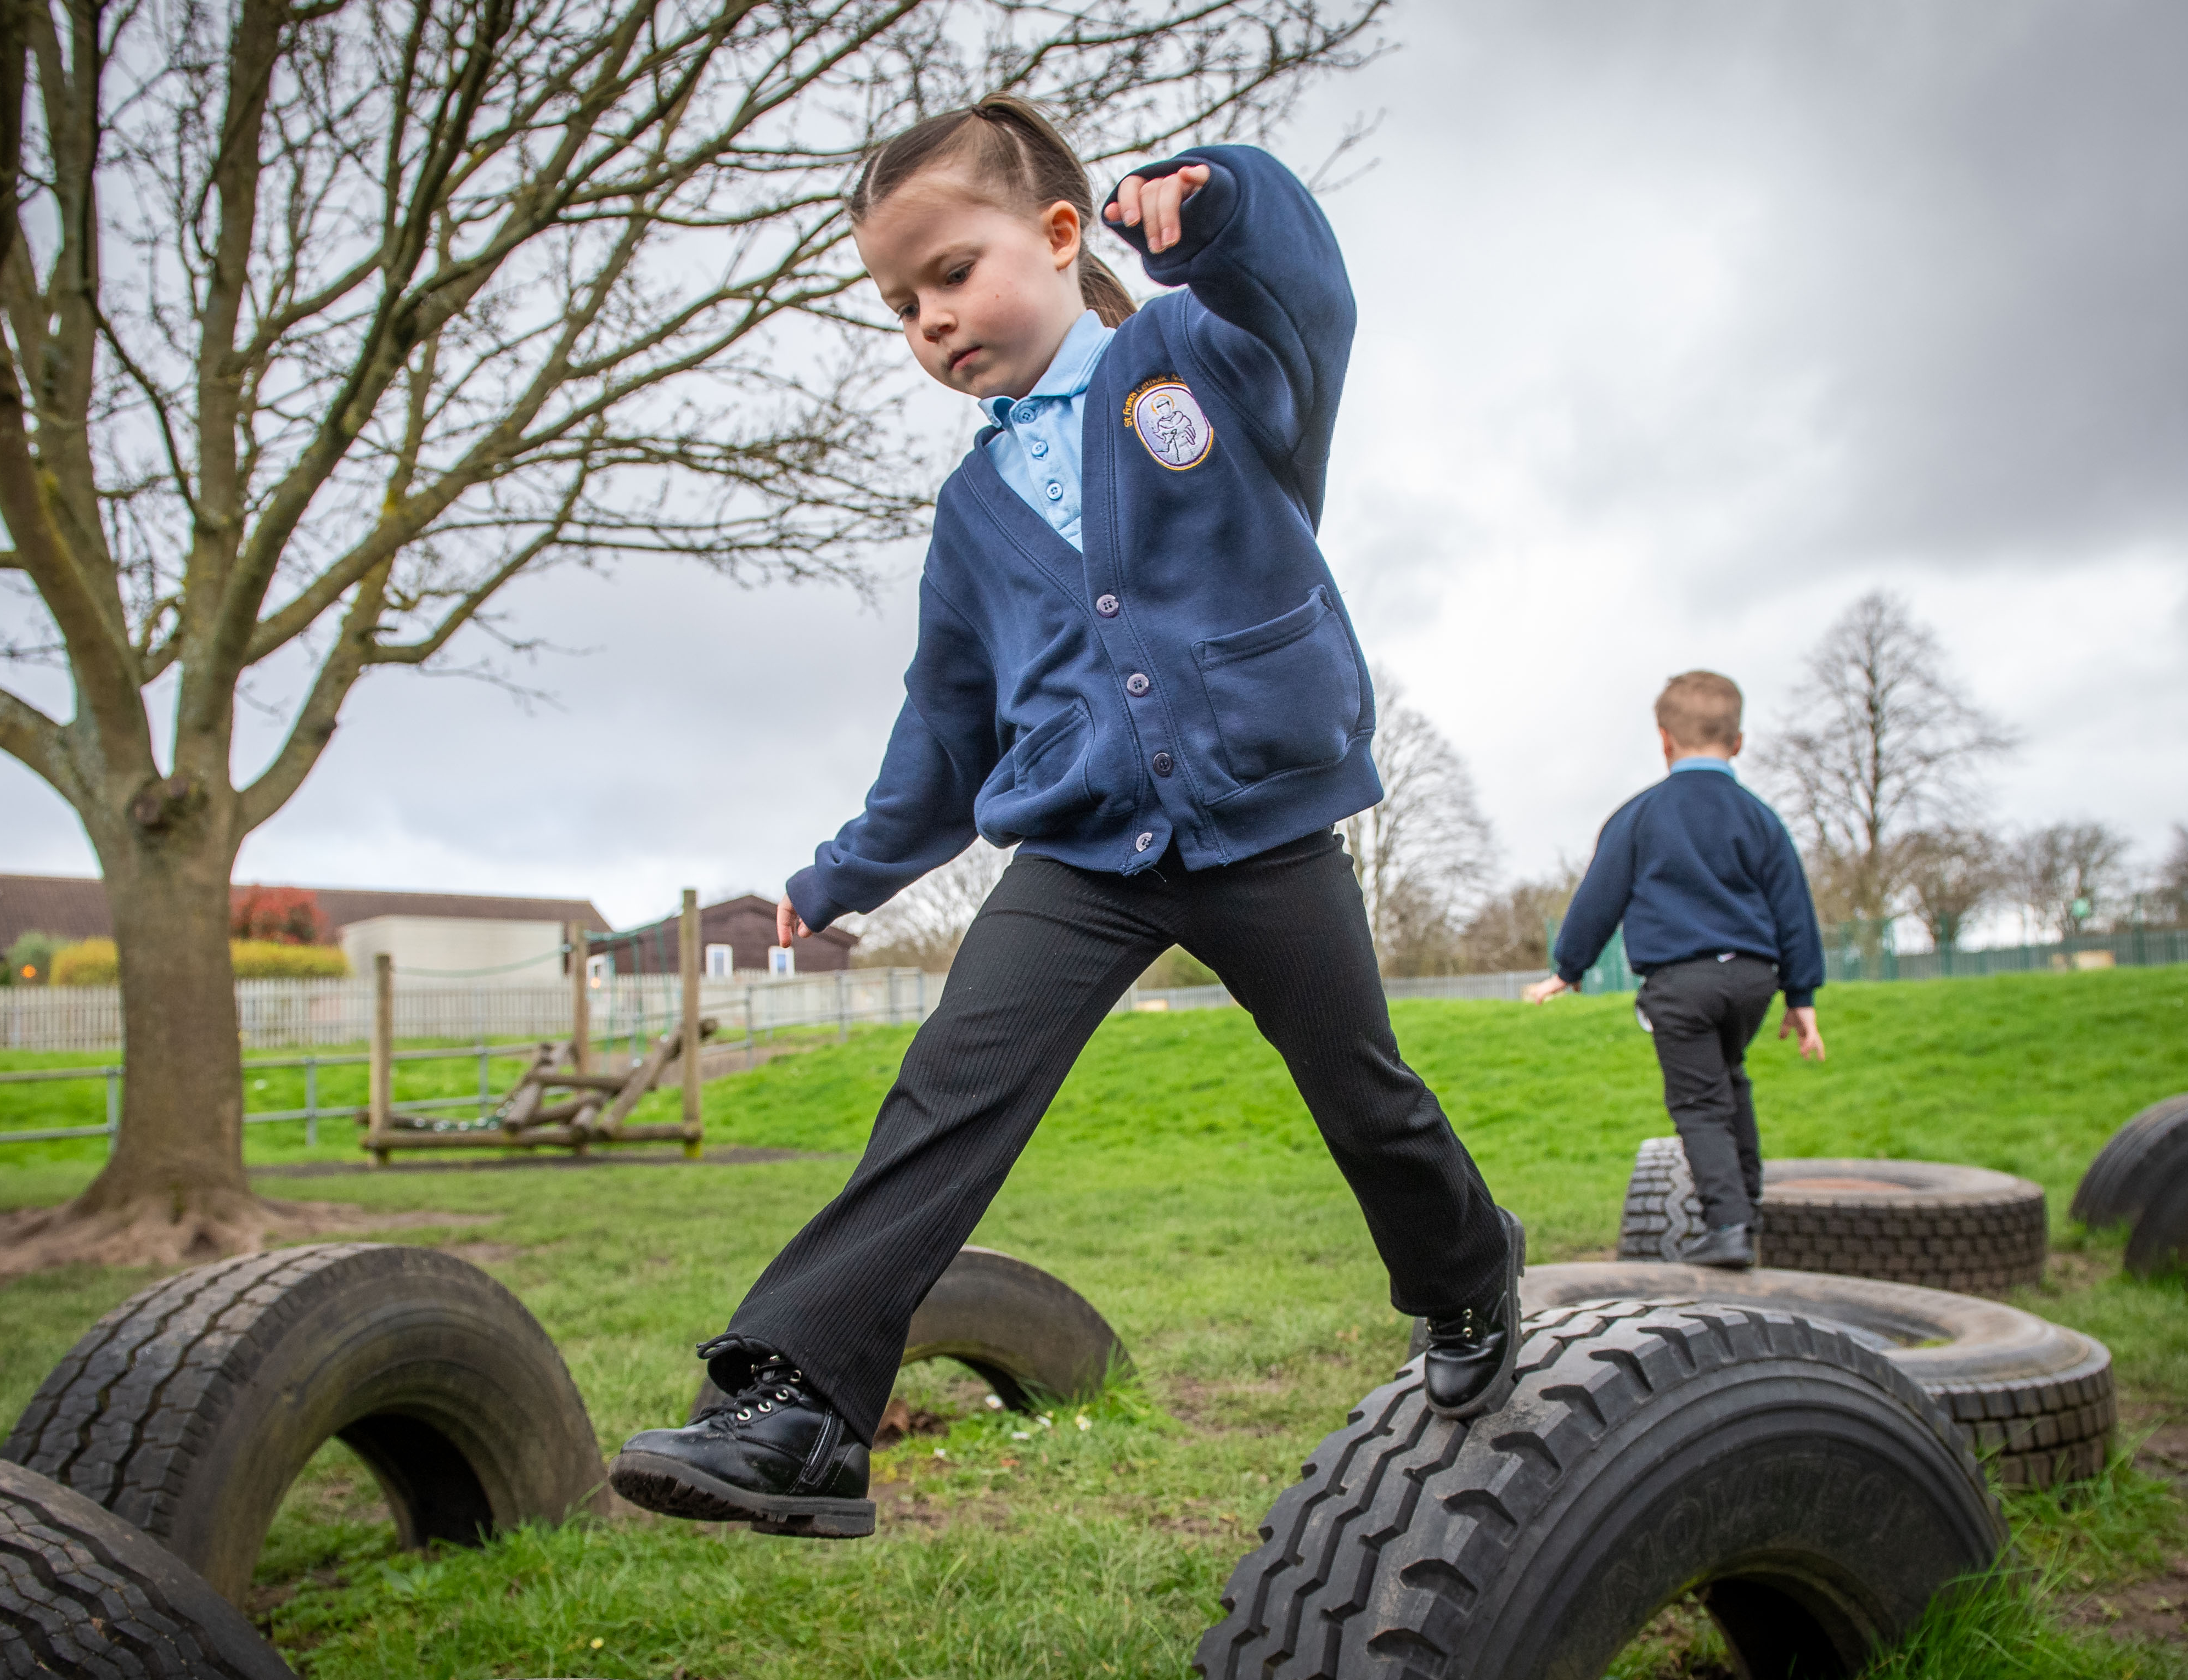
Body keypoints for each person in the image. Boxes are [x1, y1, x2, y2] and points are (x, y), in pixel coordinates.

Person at [609, 97, 1521, 1538]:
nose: (930, 320)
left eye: (951, 273)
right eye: (900, 305)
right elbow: (947, 723)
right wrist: (845, 870)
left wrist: (1215, 206)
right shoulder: (973, 510)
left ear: (1053, 234)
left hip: (1262, 825)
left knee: (1363, 1092)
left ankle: (1466, 1273)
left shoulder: (1203, 361)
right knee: (945, 1090)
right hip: (1085, 848)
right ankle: (802, 1405)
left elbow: (1306, 290)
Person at [1523, 672, 1827, 1268]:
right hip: (1752, 980)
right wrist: (1801, 995)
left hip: (1680, 983)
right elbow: (1793, 906)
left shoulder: (1641, 815)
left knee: (1698, 1102)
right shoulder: (1760, 819)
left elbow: (1599, 896)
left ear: (1663, 740)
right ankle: (1748, 1207)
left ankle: (1728, 1227)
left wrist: (1568, 968)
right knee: (1729, 1078)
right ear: (1737, 741)